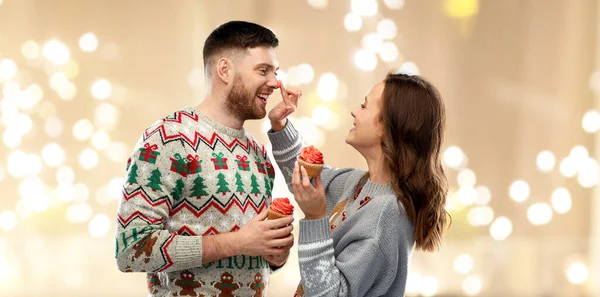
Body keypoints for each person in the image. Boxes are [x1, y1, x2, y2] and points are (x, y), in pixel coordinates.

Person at [114, 21, 297, 297]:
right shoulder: (168, 138)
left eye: (276, 72)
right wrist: (237, 242)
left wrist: (275, 253)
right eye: (263, 71)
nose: (275, 83)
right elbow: (131, 248)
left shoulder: (259, 154)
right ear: (224, 70)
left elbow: (257, 260)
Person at [267, 72, 450, 297]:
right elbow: (308, 177)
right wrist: (281, 125)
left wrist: (315, 218)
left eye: (364, 106)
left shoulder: (386, 214)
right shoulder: (358, 183)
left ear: (387, 126)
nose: (354, 111)